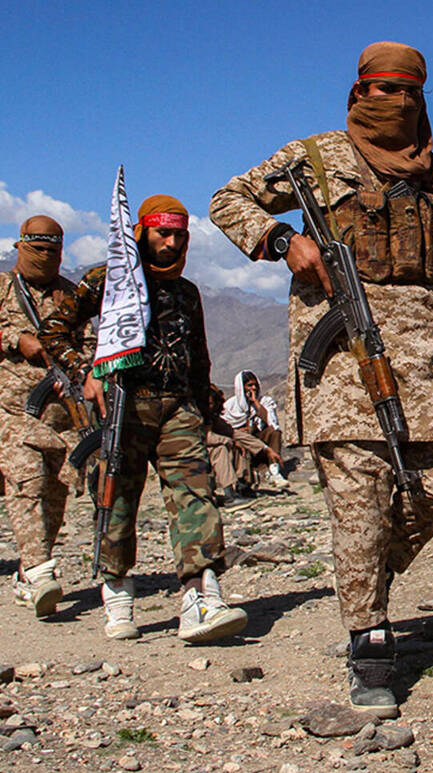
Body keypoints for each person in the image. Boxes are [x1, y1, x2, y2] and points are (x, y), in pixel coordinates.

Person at [210, 41, 433, 716]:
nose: (398, 102)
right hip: (340, 359)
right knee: (359, 502)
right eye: (384, 88)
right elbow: (229, 199)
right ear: (358, 91)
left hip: (426, 357)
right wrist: (283, 241)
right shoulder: (314, 158)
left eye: (411, 91)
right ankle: (369, 641)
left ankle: (361, 577)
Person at [39, 196, 248, 644]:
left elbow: (198, 359)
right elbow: (53, 330)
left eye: (180, 235)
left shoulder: (187, 293)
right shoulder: (107, 281)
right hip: (123, 408)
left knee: (196, 496)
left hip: (178, 410)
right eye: (162, 233)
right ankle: (116, 594)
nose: (171, 243)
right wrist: (85, 371)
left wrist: (207, 407)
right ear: (142, 233)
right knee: (116, 500)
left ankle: (201, 596)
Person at [0, 216, 91, 617]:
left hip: (60, 416)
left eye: (53, 250)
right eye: (37, 249)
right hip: (9, 409)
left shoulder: (72, 296)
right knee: (28, 478)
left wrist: (75, 366)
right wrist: (15, 340)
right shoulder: (4, 289)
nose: (45, 257)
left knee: (55, 492)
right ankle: (40, 571)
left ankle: (28, 572)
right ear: (21, 246)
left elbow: (90, 343)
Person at [221, 369, 289, 490]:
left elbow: (270, 421)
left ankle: (274, 471)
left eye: (255, 385)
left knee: (275, 432)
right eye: (249, 385)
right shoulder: (230, 406)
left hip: (259, 439)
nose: (253, 388)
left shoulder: (265, 401)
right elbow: (224, 427)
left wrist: (255, 403)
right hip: (242, 441)